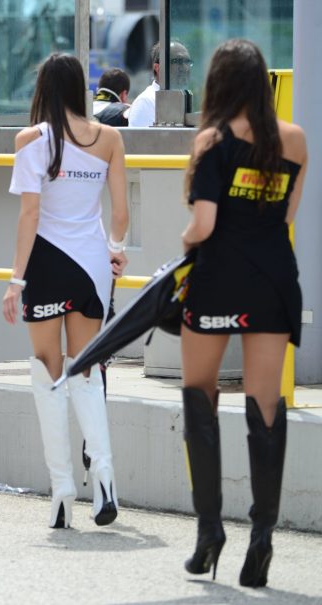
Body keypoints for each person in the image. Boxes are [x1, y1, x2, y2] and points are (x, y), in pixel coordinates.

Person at [179, 39, 307, 588]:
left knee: (199, 394)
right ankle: (262, 538)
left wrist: (182, 241)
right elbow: (287, 213)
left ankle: (210, 534)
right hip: (274, 281)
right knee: (266, 404)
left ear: (220, 83)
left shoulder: (211, 141)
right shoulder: (295, 140)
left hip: (216, 281)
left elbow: (203, 225)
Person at [2, 53, 129, 529]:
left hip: (46, 266)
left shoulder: (30, 139)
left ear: (42, 88)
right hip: (93, 266)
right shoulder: (109, 137)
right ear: (79, 87)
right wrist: (115, 250)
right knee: (86, 370)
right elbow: (119, 212)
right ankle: (106, 479)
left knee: (47, 373)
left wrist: (16, 280)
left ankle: (61, 491)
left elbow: (30, 216)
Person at [128, 41, 193, 127]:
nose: (185, 67)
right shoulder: (146, 102)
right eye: (178, 61)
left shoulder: (186, 99)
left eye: (187, 61)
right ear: (157, 68)